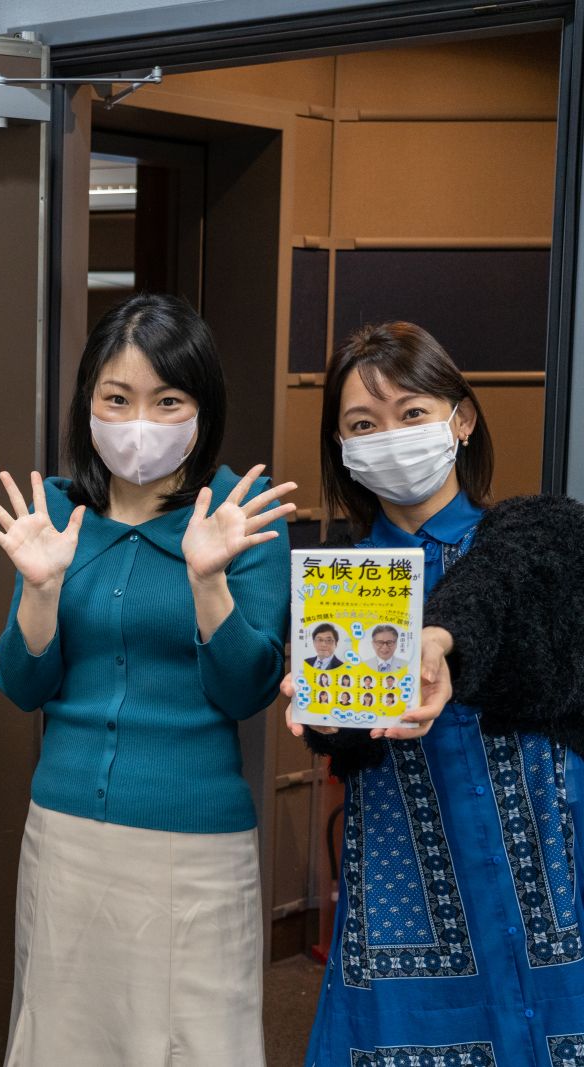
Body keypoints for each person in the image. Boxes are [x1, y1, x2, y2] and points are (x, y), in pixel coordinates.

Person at [0, 293, 292, 1064]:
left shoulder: (240, 514)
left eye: (167, 399)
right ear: (88, 401)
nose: (139, 421)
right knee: (65, 1038)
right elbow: (23, 686)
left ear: (202, 407)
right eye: (116, 399)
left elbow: (247, 690)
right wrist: (44, 590)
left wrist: (209, 581)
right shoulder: (56, 509)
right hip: (68, 835)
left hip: (196, 844)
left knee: (195, 1042)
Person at [288, 321, 584, 1064]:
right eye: (363, 424)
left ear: (462, 416)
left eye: (411, 413)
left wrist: (440, 637)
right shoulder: (338, 584)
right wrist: (322, 709)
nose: (389, 436)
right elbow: (342, 737)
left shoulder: (537, 536)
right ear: (343, 451)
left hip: (555, 876)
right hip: (404, 887)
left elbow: (498, 587)